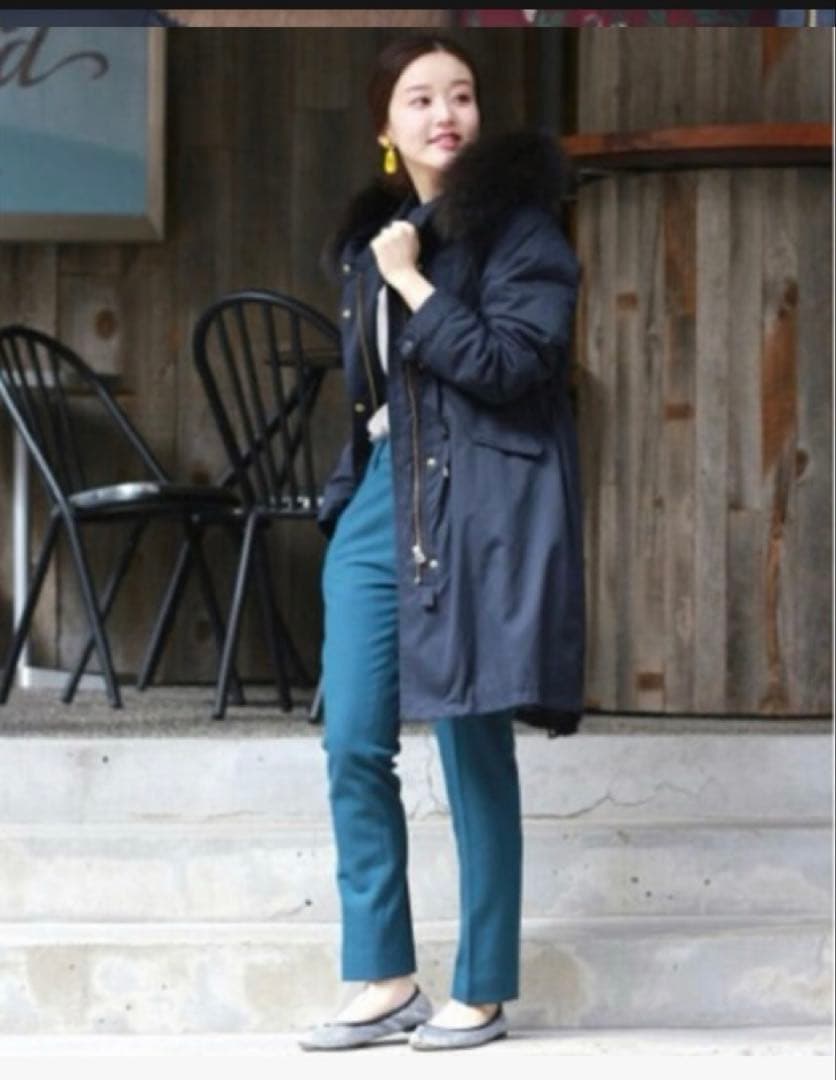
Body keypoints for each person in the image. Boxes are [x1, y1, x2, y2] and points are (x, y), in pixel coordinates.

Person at [300, 33, 584, 1052]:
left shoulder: (519, 233)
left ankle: (482, 985)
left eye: (459, 95)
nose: (444, 114)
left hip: (476, 500)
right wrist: (345, 500)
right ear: (387, 127)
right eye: (419, 99)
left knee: (470, 738)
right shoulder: (376, 244)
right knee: (351, 740)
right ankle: (382, 976)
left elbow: (513, 363)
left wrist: (417, 286)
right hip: (385, 500)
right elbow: (371, 399)